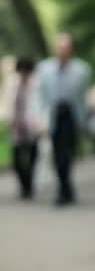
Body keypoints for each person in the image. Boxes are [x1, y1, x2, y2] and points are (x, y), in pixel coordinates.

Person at [37, 33, 90, 206]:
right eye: (59, 48)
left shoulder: (82, 70)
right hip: (54, 115)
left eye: (65, 48)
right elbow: (41, 97)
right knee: (58, 153)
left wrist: (84, 122)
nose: (62, 51)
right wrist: (41, 119)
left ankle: (66, 187)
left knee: (68, 153)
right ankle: (64, 189)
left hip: (72, 115)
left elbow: (82, 98)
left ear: (71, 49)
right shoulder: (44, 68)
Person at [9, 57, 42, 200]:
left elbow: (39, 105)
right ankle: (24, 184)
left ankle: (29, 184)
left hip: (32, 126)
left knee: (33, 157)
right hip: (16, 126)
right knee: (16, 160)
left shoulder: (37, 85)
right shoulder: (13, 84)